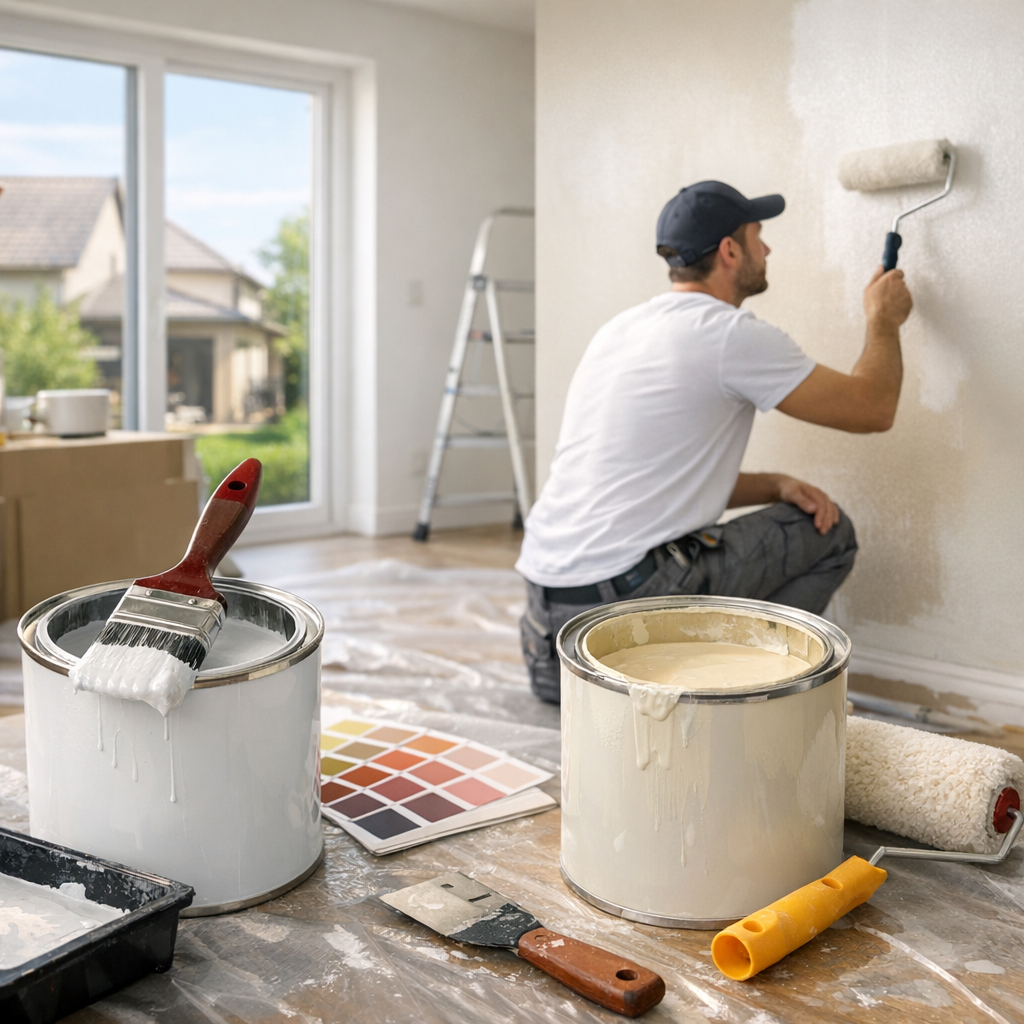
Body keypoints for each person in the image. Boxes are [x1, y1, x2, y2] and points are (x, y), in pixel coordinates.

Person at [516, 180, 913, 703]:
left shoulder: (619, 330)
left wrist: (775, 483)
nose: (767, 250)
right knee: (831, 535)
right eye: (757, 236)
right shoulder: (728, 333)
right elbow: (873, 408)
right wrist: (883, 319)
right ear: (730, 250)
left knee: (716, 539)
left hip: (553, 642)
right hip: (623, 625)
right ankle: (739, 692)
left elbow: (651, 480)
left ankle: (685, 678)